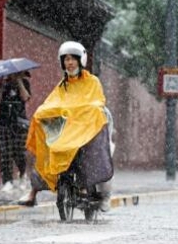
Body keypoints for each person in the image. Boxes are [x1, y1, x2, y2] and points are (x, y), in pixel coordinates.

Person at [18, 41, 113, 212]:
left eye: (72, 59)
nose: (69, 63)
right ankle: (33, 192)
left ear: (80, 60)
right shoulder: (63, 85)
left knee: (89, 152)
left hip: (84, 132)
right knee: (45, 141)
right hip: (65, 131)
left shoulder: (92, 81)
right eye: (66, 59)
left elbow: (97, 102)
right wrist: (43, 112)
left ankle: (89, 189)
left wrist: (81, 111)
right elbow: (52, 103)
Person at [0, 70, 31, 192]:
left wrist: (19, 81)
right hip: (3, 122)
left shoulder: (24, 82)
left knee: (19, 151)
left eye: (15, 74)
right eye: (11, 74)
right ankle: (7, 180)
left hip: (19, 123)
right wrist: (3, 87)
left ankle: (22, 175)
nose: (12, 76)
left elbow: (25, 97)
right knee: (5, 152)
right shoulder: (1, 85)